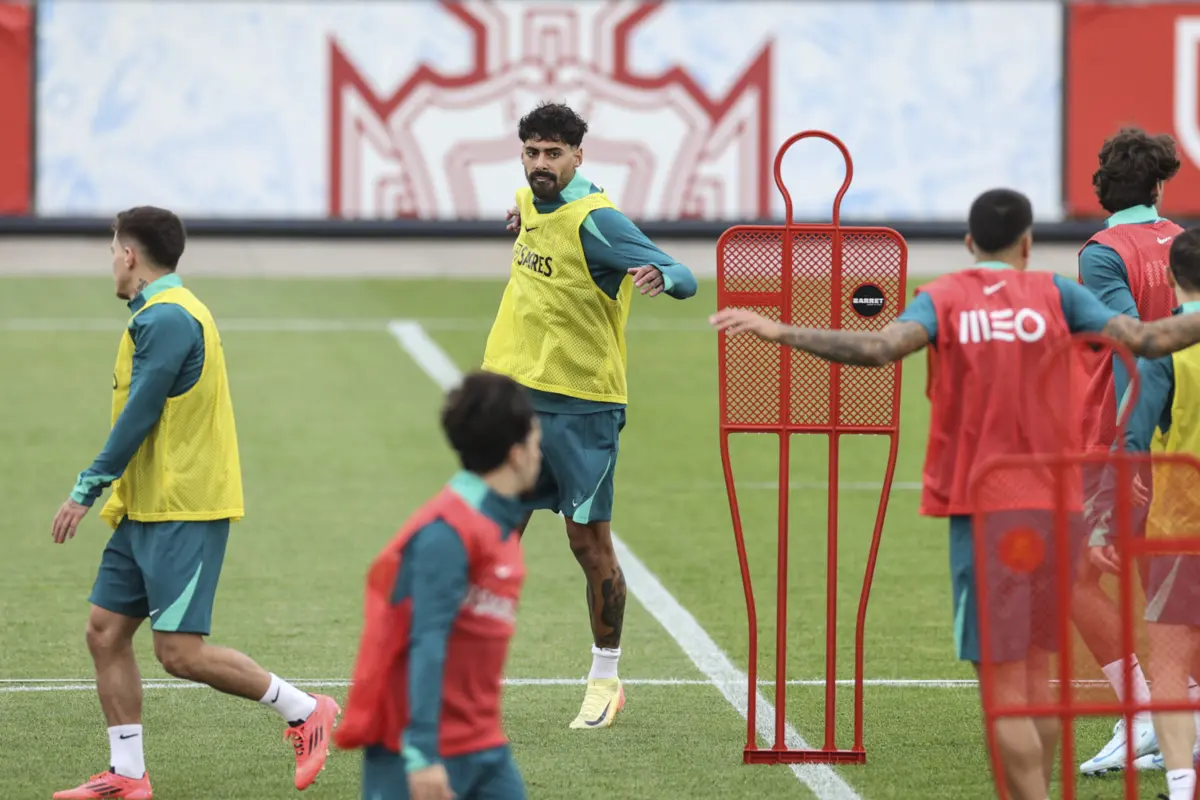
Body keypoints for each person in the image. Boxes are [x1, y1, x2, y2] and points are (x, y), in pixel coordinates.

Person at [710, 188, 1200, 800]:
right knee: (1040, 668)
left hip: (987, 510)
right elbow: (1145, 340)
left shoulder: (946, 296)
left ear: (969, 244)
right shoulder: (1057, 294)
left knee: (1004, 690)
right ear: (1027, 243)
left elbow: (879, 349)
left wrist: (781, 330)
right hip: (1056, 504)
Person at [50, 207, 338, 800]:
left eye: (112, 250)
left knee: (179, 653)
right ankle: (128, 775)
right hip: (146, 507)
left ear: (130, 255)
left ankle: (307, 710)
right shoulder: (164, 313)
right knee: (105, 632)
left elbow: (141, 413)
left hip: (185, 507)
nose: (111, 261)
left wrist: (87, 487)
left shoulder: (169, 318)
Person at [483, 101, 697, 728]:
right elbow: (535, 217)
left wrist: (663, 276)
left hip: (583, 409)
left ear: (579, 155)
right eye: (532, 153)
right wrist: (522, 215)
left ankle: (605, 680)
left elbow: (683, 275)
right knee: (494, 539)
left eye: (553, 154)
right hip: (516, 405)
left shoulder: (598, 222)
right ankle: (469, 678)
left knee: (587, 543)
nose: (540, 164)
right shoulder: (529, 204)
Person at [335, 371, 540, 800]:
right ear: (517, 454)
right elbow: (426, 641)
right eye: (537, 442)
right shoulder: (449, 533)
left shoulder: (500, 523)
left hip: (484, 746)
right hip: (413, 753)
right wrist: (422, 756)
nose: (543, 453)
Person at [1074, 126, 1184, 776]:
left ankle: (1145, 712)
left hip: (1130, 432)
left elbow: (1132, 349)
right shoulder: (1186, 243)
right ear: (1161, 185)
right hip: (1188, 430)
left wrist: (1123, 457)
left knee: (1079, 575)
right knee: (1169, 579)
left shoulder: (1102, 252)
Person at [1112, 229, 1200, 799]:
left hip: (1180, 526)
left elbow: (1131, 437)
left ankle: (1179, 781)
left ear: (1169, 277)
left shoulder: (1166, 346)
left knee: (1169, 661)